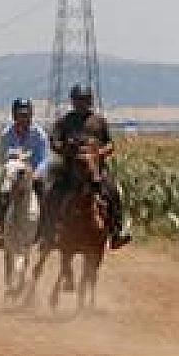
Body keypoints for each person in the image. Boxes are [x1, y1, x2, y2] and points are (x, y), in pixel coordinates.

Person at [43, 84, 132, 249]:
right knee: (51, 193)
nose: (81, 103)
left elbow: (110, 144)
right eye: (78, 100)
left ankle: (116, 232)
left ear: (90, 101)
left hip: (95, 168)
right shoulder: (64, 121)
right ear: (73, 101)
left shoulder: (99, 121)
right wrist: (67, 149)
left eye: (84, 100)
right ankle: (48, 233)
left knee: (113, 190)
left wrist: (98, 153)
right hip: (69, 168)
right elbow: (54, 142)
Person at [0, 98, 51, 247]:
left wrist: (36, 173)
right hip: (13, 172)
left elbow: (44, 158)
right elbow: (3, 156)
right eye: (20, 115)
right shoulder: (7, 134)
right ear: (14, 115)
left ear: (31, 115)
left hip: (33, 173)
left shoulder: (39, 134)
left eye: (26, 115)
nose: (24, 118)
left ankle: (45, 233)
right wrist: (11, 164)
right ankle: (3, 231)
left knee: (47, 198)